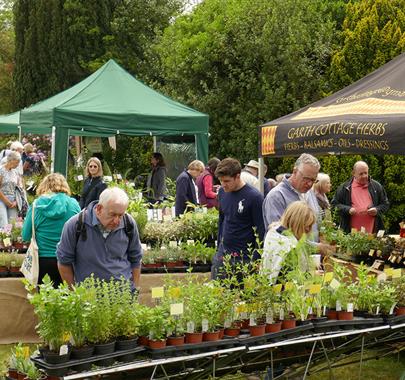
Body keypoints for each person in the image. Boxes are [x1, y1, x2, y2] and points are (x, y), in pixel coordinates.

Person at [57, 187, 143, 289]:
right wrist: (73, 292)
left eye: (120, 215)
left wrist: (135, 288)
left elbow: (136, 258)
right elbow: (63, 261)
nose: (117, 221)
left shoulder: (128, 223)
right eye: (112, 215)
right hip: (89, 298)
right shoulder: (76, 224)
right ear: (99, 209)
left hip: (123, 296)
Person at [22, 173, 80, 287]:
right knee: (69, 299)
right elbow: (80, 232)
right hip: (68, 259)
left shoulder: (36, 206)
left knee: (45, 300)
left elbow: (25, 235)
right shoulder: (73, 204)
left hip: (43, 260)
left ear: (44, 186)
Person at [211, 158, 265, 280]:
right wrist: (219, 247)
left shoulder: (254, 197)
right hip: (223, 256)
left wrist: (256, 260)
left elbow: (261, 231)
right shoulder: (222, 193)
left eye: (227, 181)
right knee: (218, 294)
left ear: (238, 176)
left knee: (243, 297)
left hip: (244, 258)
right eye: (221, 181)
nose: (223, 184)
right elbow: (222, 221)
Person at [263, 153, 321, 240]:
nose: (309, 184)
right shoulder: (276, 196)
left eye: (313, 180)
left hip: (310, 253)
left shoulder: (310, 193)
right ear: (295, 171)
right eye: (306, 178)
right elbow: (279, 236)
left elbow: (316, 223)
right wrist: (315, 247)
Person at [261, 201, 316, 283]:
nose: (309, 230)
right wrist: (311, 275)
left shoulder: (273, 232)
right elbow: (291, 281)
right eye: (307, 226)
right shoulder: (291, 246)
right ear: (297, 223)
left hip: (266, 285)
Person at [332, 161, 389, 233]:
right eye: (361, 174)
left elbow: (385, 204)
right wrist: (348, 209)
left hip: (372, 232)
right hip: (350, 234)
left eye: (366, 173)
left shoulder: (376, 186)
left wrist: (377, 210)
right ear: (353, 173)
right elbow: (334, 205)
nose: (364, 176)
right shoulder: (344, 188)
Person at [0, 151, 23, 227]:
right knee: (4, 224)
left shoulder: (15, 172)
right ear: (11, 160)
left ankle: (11, 239)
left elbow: (19, 188)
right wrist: (7, 202)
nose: (18, 164)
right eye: (17, 162)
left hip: (13, 200)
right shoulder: (1, 170)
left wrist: (16, 201)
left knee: (12, 225)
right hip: (2, 199)